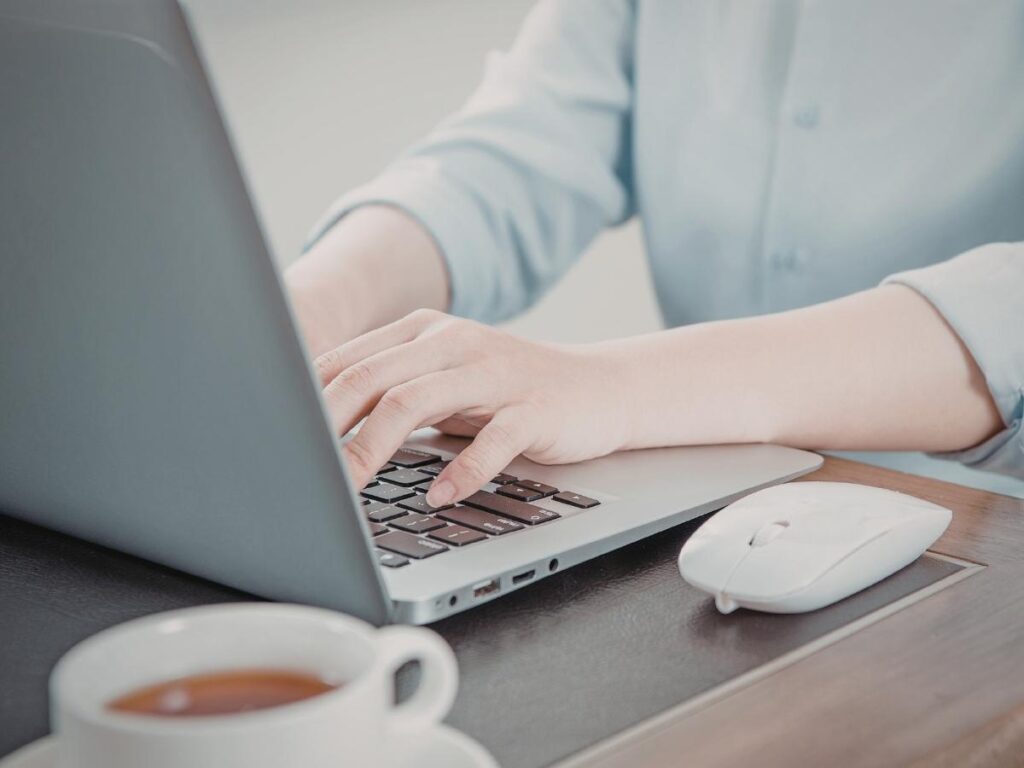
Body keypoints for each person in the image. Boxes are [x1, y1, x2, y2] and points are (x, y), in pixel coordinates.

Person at [285, 0, 1023, 510]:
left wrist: (610, 384)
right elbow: (525, 148)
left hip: (983, 539)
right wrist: (302, 312)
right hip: (708, 502)